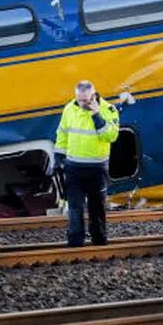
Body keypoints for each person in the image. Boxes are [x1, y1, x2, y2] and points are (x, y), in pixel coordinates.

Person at [54, 80, 119, 247]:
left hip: (97, 168)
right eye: (80, 100)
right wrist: (58, 157)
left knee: (97, 207)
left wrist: (96, 115)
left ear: (94, 95)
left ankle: (99, 238)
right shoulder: (70, 108)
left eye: (87, 100)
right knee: (75, 207)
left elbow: (111, 136)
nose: (83, 103)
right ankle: (75, 241)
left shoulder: (108, 110)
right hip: (74, 167)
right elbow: (62, 134)